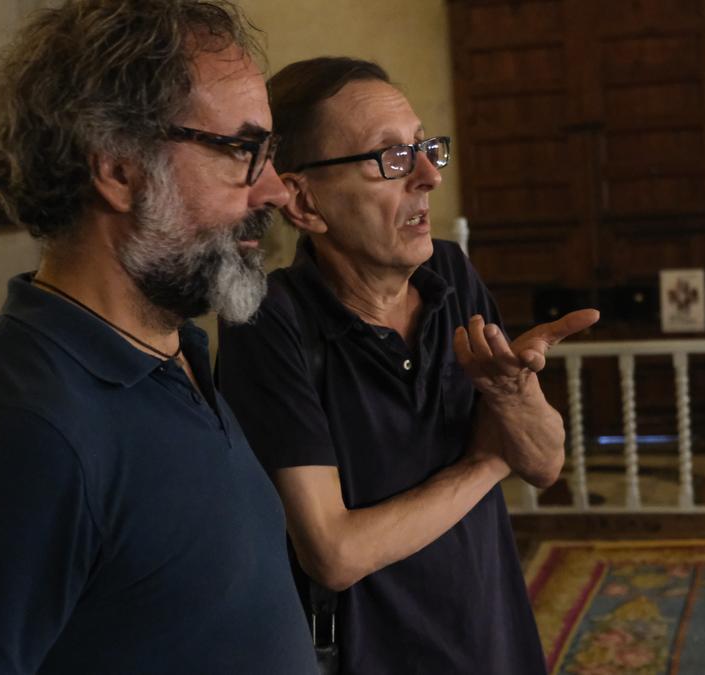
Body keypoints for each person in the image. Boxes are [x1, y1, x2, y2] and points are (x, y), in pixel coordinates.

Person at [0, 2, 317, 673]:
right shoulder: (21, 429)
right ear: (118, 168)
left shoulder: (175, 350)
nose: (273, 189)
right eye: (243, 150)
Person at [216, 57, 598, 674]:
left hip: (492, 639)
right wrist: (484, 462)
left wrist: (513, 395)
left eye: (425, 147)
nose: (427, 176)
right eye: (389, 158)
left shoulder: (449, 274)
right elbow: (333, 552)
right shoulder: (267, 322)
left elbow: (546, 462)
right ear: (304, 203)